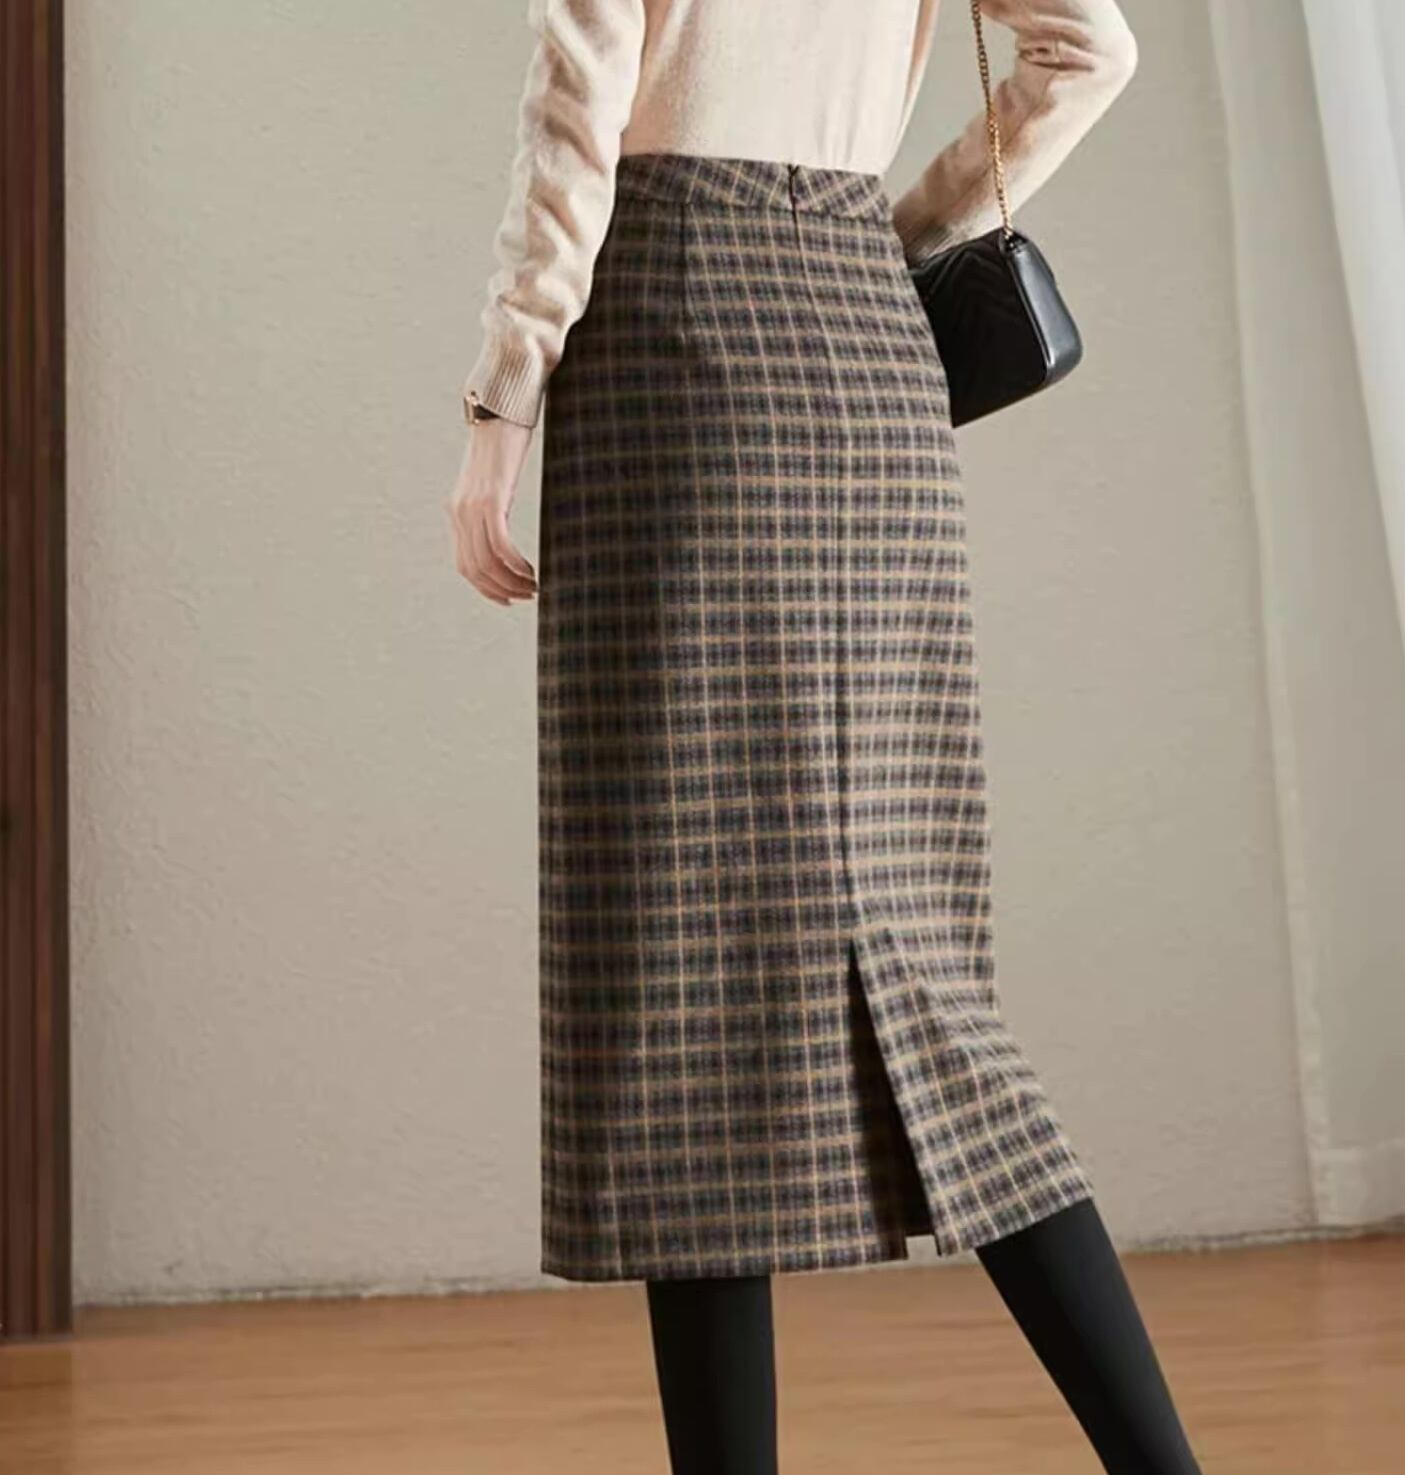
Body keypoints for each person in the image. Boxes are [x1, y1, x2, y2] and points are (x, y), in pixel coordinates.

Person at [446, 3, 1206, 1472]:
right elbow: (1091, 48)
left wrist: (501, 402)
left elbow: (577, 120)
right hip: (870, 352)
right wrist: (886, 232)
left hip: (677, 347)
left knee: (681, 959)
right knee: (914, 946)